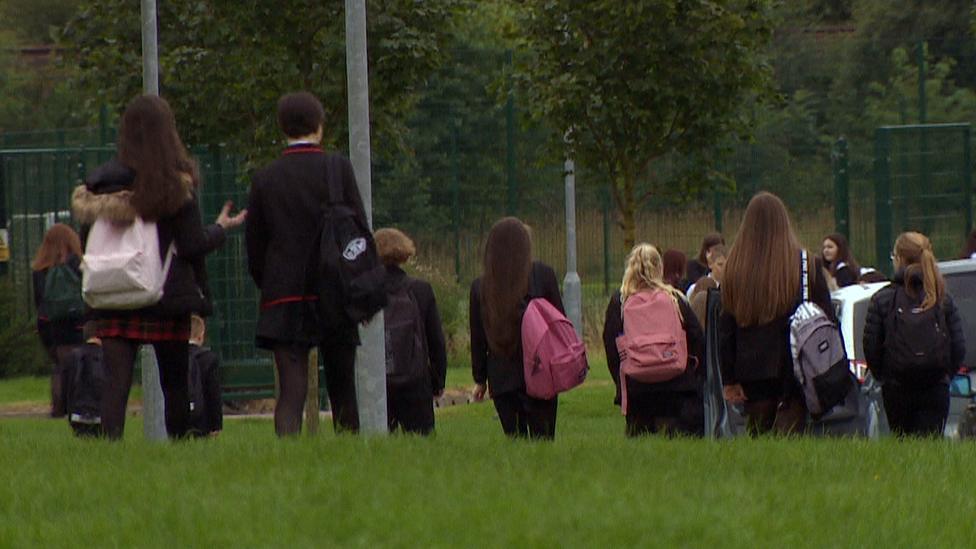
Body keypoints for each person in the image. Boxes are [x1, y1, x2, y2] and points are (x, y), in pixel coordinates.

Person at [71, 95, 244, 440]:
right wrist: (221, 229)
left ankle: (109, 450)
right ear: (168, 133)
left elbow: (88, 237)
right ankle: (179, 447)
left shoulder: (101, 184)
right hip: (166, 293)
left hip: (113, 292)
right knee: (174, 382)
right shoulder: (174, 185)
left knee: (115, 383)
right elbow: (192, 244)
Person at [246, 91, 368, 437]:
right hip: (335, 289)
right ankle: (348, 454)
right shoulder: (337, 168)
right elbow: (357, 226)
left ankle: (288, 455)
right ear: (319, 126)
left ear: (282, 127)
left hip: (284, 294)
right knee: (343, 385)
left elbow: (255, 244)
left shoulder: (265, 178)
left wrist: (268, 282)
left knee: (291, 389)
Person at [719, 192, 834, 435]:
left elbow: (726, 330)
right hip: (795, 370)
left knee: (757, 443)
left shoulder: (733, 269)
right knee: (791, 444)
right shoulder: (806, 265)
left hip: (750, 372)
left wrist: (728, 379)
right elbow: (827, 318)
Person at [863, 232, 965, 437]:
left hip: (896, 389)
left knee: (903, 446)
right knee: (930, 448)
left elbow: (871, 347)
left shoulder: (883, 299)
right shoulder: (940, 298)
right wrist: (944, 374)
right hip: (935, 387)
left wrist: (886, 376)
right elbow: (958, 346)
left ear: (899, 259)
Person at [470, 217, 563, 439]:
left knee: (515, 443)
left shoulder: (481, 287)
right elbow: (559, 322)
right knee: (543, 441)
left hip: (502, 376)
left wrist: (480, 378)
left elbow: (478, 337)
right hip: (541, 372)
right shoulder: (543, 275)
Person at [603, 244, 705, 437]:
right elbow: (697, 337)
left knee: (639, 452)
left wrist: (620, 381)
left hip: (636, 389)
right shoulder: (675, 299)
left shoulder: (620, 302)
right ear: (660, 267)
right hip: (677, 385)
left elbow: (611, 347)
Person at [374, 228, 447, 435]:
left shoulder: (367, 291)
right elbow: (436, 341)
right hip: (416, 383)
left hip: (379, 385)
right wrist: (437, 381)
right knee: (421, 449)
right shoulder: (420, 289)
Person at [31, 223, 84, 417]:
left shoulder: (39, 268)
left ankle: (58, 407)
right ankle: (71, 405)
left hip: (48, 324)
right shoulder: (77, 264)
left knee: (59, 365)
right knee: (73, 364)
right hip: (73, 320)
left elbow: (39, 300)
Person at [187, 314, 222, 437]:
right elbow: (214, 394)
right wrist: (216, 425)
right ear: (201, 336)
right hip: (203, 420)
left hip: (179, 417)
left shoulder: (176, 358)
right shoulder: (209, 359)